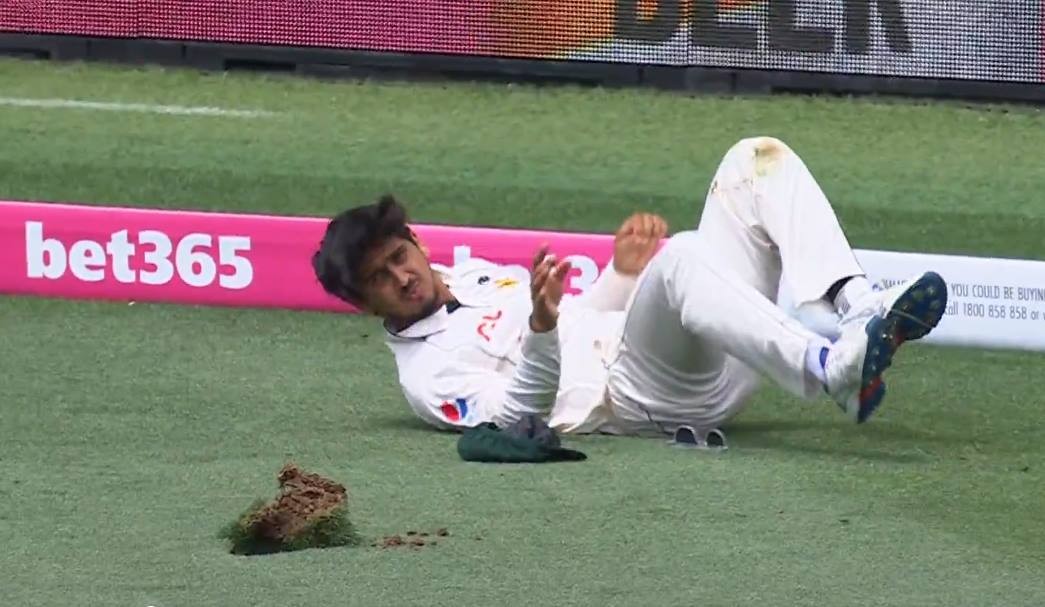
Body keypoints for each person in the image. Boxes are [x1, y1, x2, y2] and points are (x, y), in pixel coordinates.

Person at [311, 136, 948, 438]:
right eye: (379, 280)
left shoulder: (475, 277)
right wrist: (540, 329)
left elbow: (584, 321)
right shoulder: (428, 378)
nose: (401, 278)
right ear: (363, 305)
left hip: (696, 349)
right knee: (685, 256)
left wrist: (620, 272)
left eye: (399, 257)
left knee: (754, 160)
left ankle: (858, 309)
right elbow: (518, 419)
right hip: (640, 396)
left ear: (417, 242)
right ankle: (832, 368)